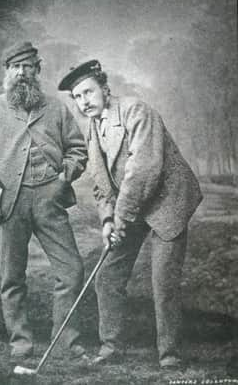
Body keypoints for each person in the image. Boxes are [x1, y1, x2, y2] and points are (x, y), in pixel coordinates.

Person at [58, 60, 203, 370]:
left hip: (167, 202)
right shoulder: (94, 128)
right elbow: (101, 185)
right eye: (78, 98)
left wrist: (121, 219)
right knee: (107, 275)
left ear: (104, 88)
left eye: (88, 92)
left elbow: (143, 171)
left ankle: (170, 355)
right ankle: (111, 347)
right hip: (132, 206)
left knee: (163, 281)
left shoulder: (137, 110)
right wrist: (108, 221)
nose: (84, 102)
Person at [0, 42, 88, 371]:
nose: (22, 73)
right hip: (8, 205)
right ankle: (21, 343)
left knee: (72, 272)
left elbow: (78, 150)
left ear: (38, 70)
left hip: (50, 201)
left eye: (28, 67)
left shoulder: (58, 108)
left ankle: (66, 341)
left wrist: (65, 177)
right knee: (12, 278)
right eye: (16, 67)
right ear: (6, 72)